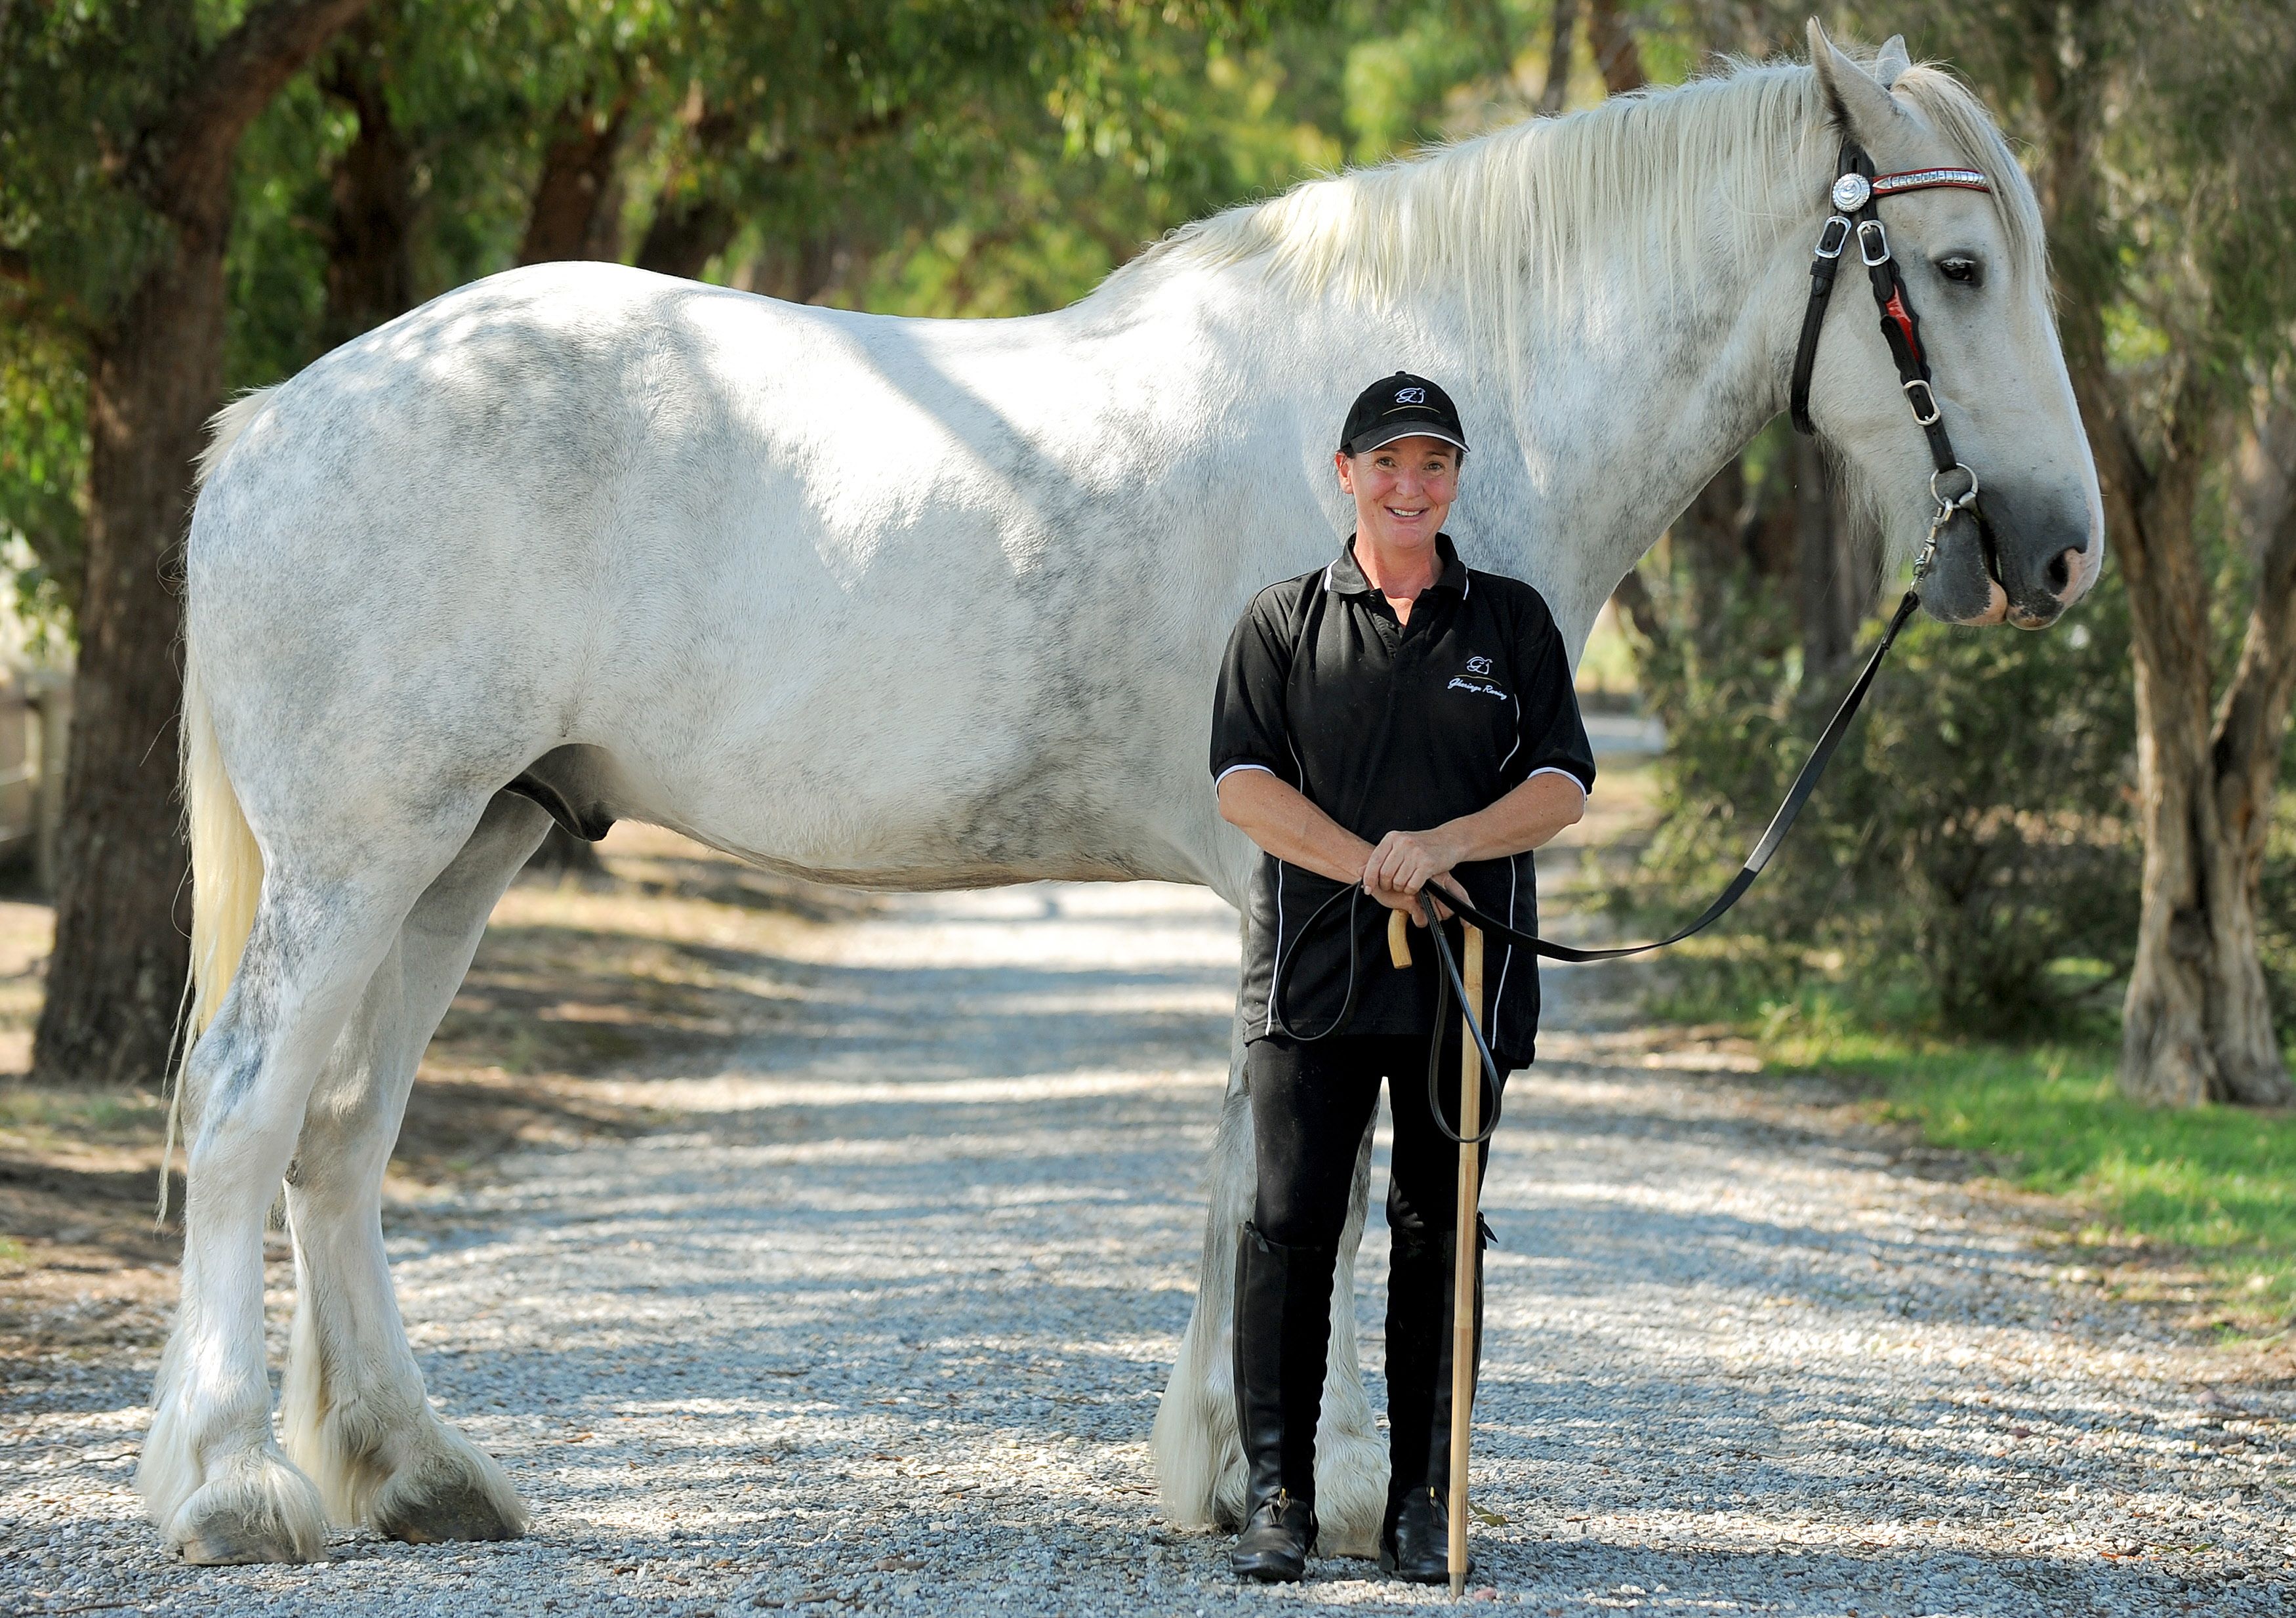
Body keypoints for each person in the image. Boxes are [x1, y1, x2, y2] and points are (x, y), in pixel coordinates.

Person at [1208, 371, 1595, 1584]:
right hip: (1313, 981)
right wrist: (1371, 866)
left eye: (1433, 465)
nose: (1410, 486)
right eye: (1388, 463)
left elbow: (1564, 784)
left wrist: (1447, 846)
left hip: (1464, 981)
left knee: (1440, 1232)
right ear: (1347, 474)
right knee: (1290, 1227)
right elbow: (1242, 785)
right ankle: (1279, 1495)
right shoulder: (1282, 621)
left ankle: (1429, 1501)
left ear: (1457, 480)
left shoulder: (1513, 623)